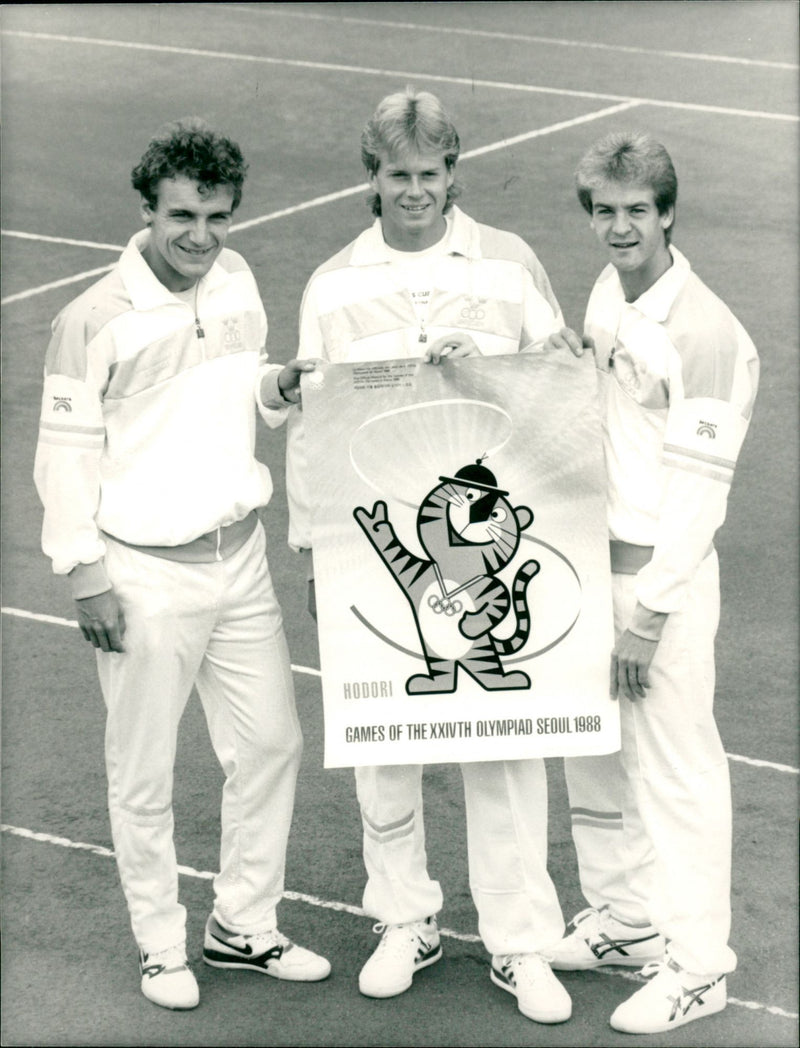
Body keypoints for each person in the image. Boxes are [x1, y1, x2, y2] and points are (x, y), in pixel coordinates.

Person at [280, 87, 572, 1025]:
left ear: (454, 173)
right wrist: (315, 556)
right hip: (373, 552)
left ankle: (522, 943)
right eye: (397, 175)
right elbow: (314, 433)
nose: (415, 191)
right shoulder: (332, 283)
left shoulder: (511, 265)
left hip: (488, 545)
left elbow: (566, 383)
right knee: (385, 754)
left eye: (430, 175)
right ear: (373, 176)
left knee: (504, 755)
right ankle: (405, 921)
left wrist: (493, 367)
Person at [33, 118, 330, 1011]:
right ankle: (163, 946)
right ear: (147, 210)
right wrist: (84, 573)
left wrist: (275, 388)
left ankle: (243, 924)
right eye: (182, 216)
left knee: (273, 745)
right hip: (143, 576)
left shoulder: (234, 280)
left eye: (217, 216)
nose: (200, 236)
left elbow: (236, 384)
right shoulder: (90, 321)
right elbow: (64, 459)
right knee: (144, 769)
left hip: (238, 560)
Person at [544, 131, 759, 1035]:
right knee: (593, 755)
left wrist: (651, 617)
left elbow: (701, 499)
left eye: (638, 210)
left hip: (656, 592)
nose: (620, 227)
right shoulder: (606, 291)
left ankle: (700, 963)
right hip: (592, 573)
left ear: (668, 213)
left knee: (677, 775)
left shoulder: (707, 335)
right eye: (605, 211)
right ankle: (628, 923)